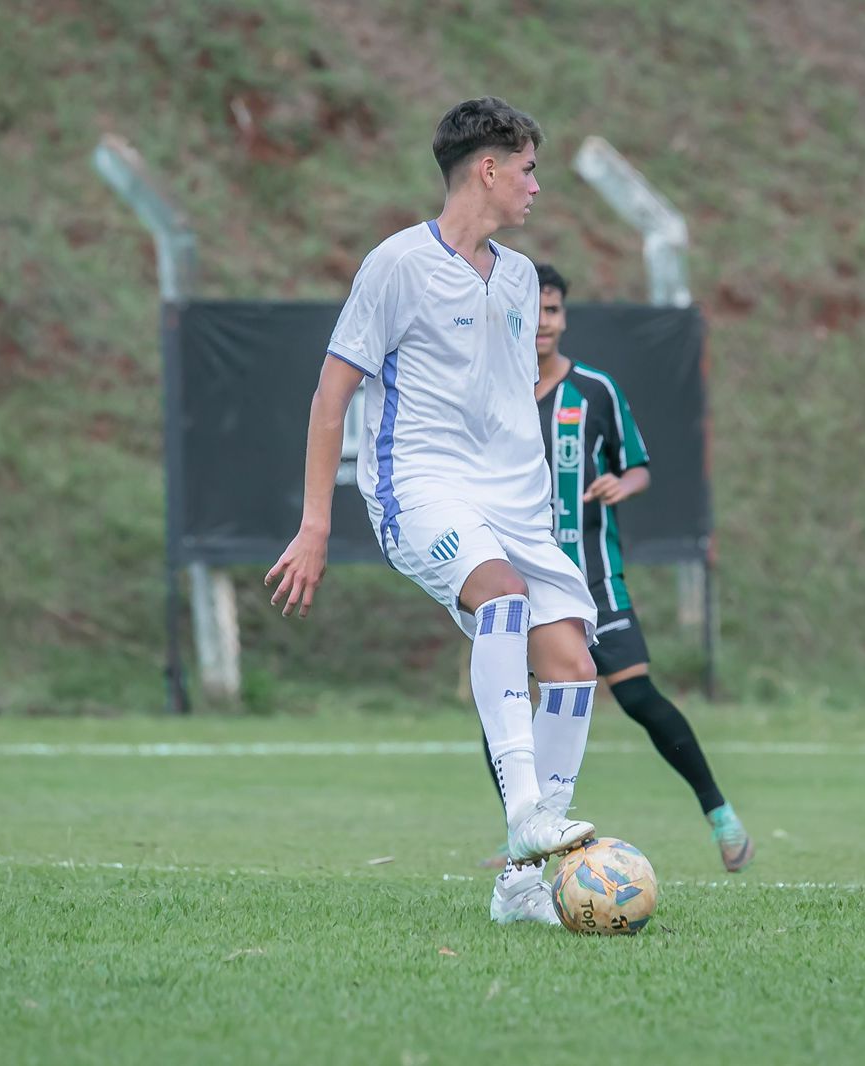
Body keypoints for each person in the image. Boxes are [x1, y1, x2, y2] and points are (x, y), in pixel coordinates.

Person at [265, 98, 598, 925]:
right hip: (420, 486)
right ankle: (529, 816)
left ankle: (521, 886)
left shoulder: (519, 276)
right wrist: (315, 524)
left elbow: (506, 397)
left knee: (571, 664)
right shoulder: (395, 267)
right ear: (487, 169)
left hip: (516, 501)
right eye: (526, 168)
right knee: (504, 598)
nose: (535, 186)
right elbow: (330, 396)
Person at [479, 264, 753, 872]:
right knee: (504, 704)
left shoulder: (595, 391)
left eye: (553, 311)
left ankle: (720, 815)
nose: (542, 324)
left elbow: (639, 465)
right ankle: (524, 830)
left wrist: (622, 484)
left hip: (593, 578)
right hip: (518, 579)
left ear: (564, 317)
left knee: (638, 696)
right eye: (533, 313)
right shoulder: (491, 391)